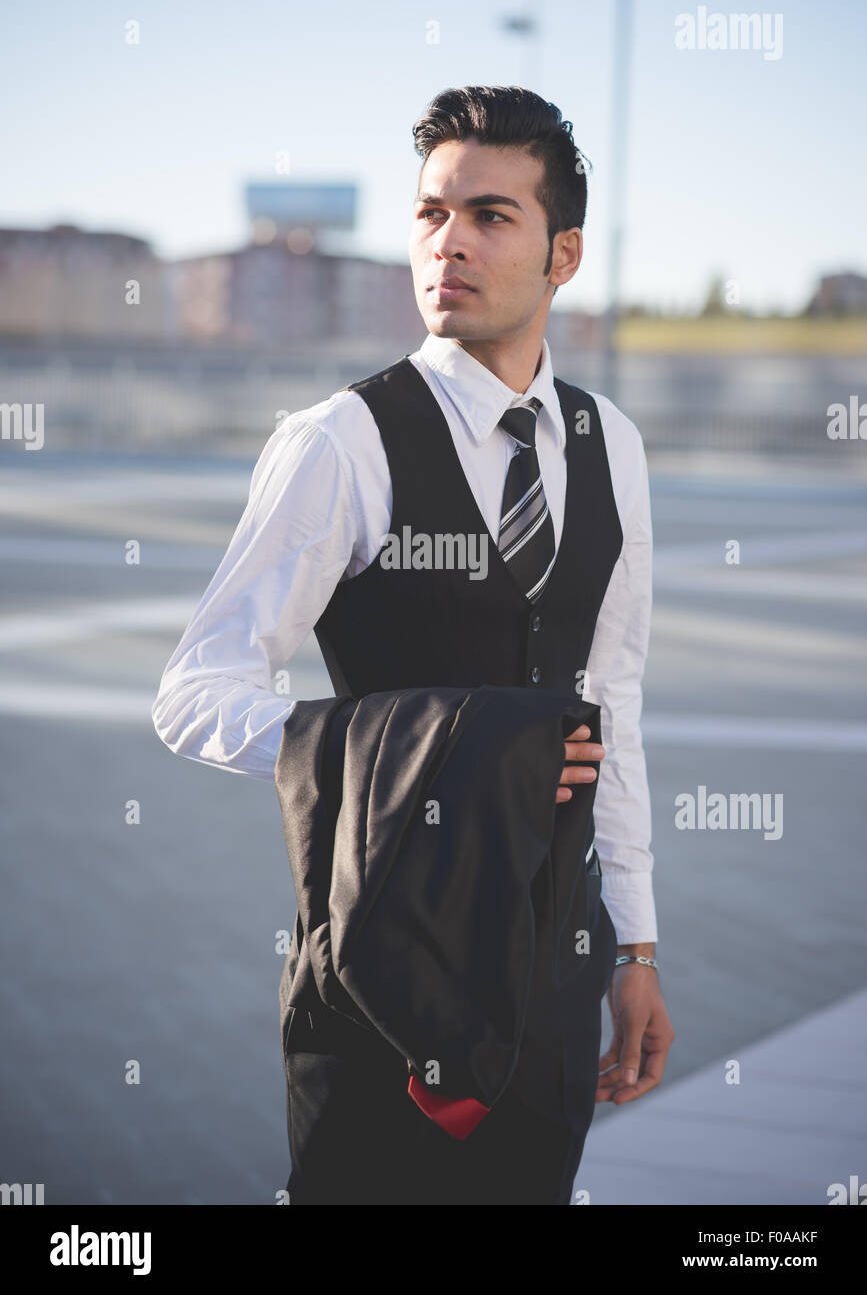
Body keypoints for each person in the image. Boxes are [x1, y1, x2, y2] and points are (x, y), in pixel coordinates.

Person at [152, 84, 674, 1204]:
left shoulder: (610, 443)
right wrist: (431, 745)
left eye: (491, 216)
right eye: (432, 213)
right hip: (384, 957)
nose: (450, 244)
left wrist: (635, 949)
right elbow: (196, 691)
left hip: (557, 960)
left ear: (563, 254)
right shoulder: (341, 442)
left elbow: (612, 700)